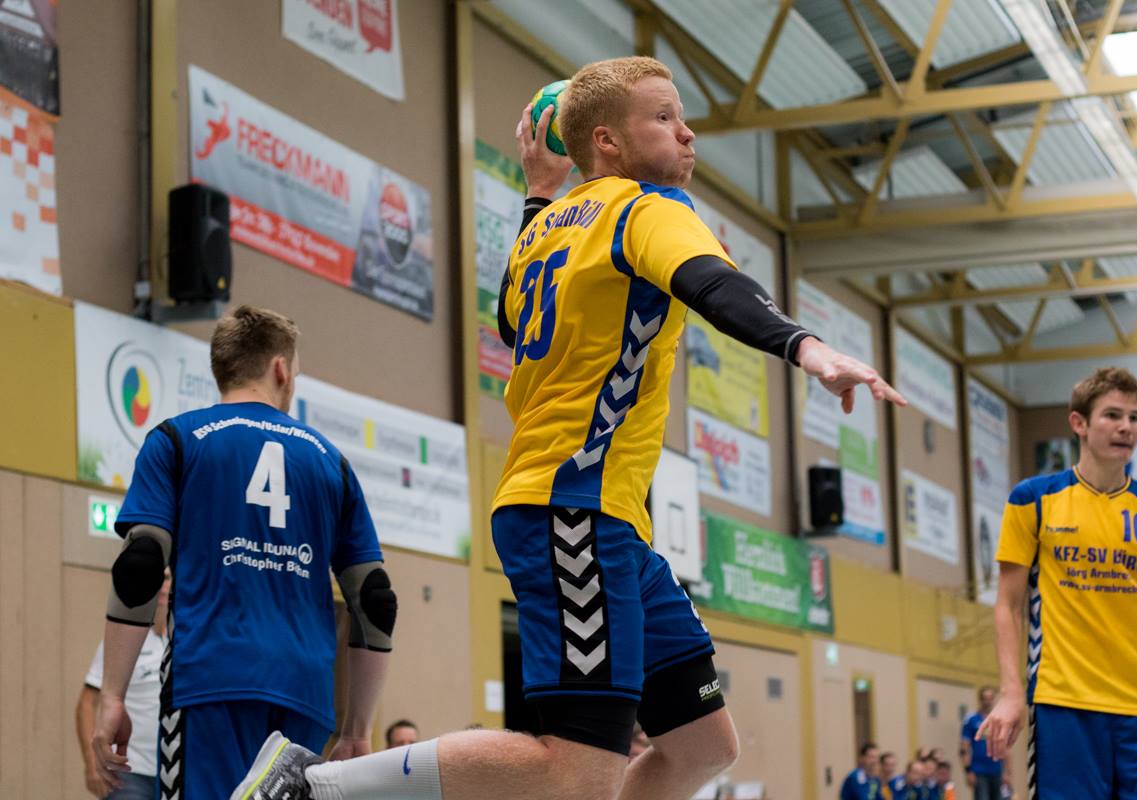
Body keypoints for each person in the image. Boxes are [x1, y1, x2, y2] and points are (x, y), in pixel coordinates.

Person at [231, 54, 903, 800]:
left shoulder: (548, 226)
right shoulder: (648, 210)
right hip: (572, 508)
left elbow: (511, 319)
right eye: (664, 118)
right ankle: (313, 786)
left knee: (703, 746)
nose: (687, 134)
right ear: (607, 141)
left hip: (600, 515)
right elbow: (713, 284)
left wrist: (539, 191)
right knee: (576, 769)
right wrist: (808, 349)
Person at [90, 306, 396, 799]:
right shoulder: (331, 461)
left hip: (209, 678)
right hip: (305, 691)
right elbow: (376, 599)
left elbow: (140, 564)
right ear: (280, 369)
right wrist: (357, 730)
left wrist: (112, 697)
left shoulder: (176, 440)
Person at [977, 367, 1137, 799]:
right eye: (1112, 415)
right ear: (1078, 423)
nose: (1126, 427)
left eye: (1134, 417)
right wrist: (1011, 692)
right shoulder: (1034, 499)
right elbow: (1008, 604)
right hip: (1066, 707)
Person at [77, 572, 170, 799]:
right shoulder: (124, 641)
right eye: (156, 577)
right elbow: (87, 703)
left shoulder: (188, 642)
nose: (161, 585)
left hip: (177, 772)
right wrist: (92, 763)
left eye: (167, 578)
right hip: (129, 772)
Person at [959, 687, 1004, 800]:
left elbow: (1005, 747)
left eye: (990, 698)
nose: (988, 701)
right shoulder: (971, 720)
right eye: (985, 698)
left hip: (996, 769)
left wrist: (1007, 772)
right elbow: (964, 747)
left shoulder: (999, 719)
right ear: (980, 700)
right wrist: (968, 771)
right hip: (978, 771)